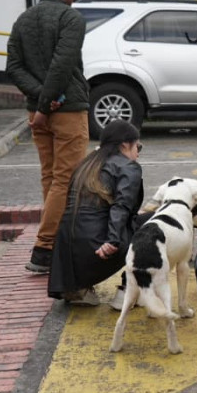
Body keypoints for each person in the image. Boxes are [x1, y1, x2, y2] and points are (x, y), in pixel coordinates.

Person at [6, 0, 91, 274]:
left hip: (38, 113)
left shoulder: (23, 19)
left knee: (50, 178)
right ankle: (44, 249)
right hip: (64, 110)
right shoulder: (71, 18)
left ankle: (53, 241)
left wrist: (39, 101)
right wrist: (48, 102)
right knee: (65, 180)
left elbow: (13, 66)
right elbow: (62, 63)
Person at [48, 120, 144, 306]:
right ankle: (128, 291)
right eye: (138, 146)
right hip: (99, 249)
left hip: (67, 257)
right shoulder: (128, 166)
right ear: (125, 145)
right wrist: (112, 240)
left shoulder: (86, 164)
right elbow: (121, 206)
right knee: (155, 224)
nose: (138, 153)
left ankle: (80, 289)